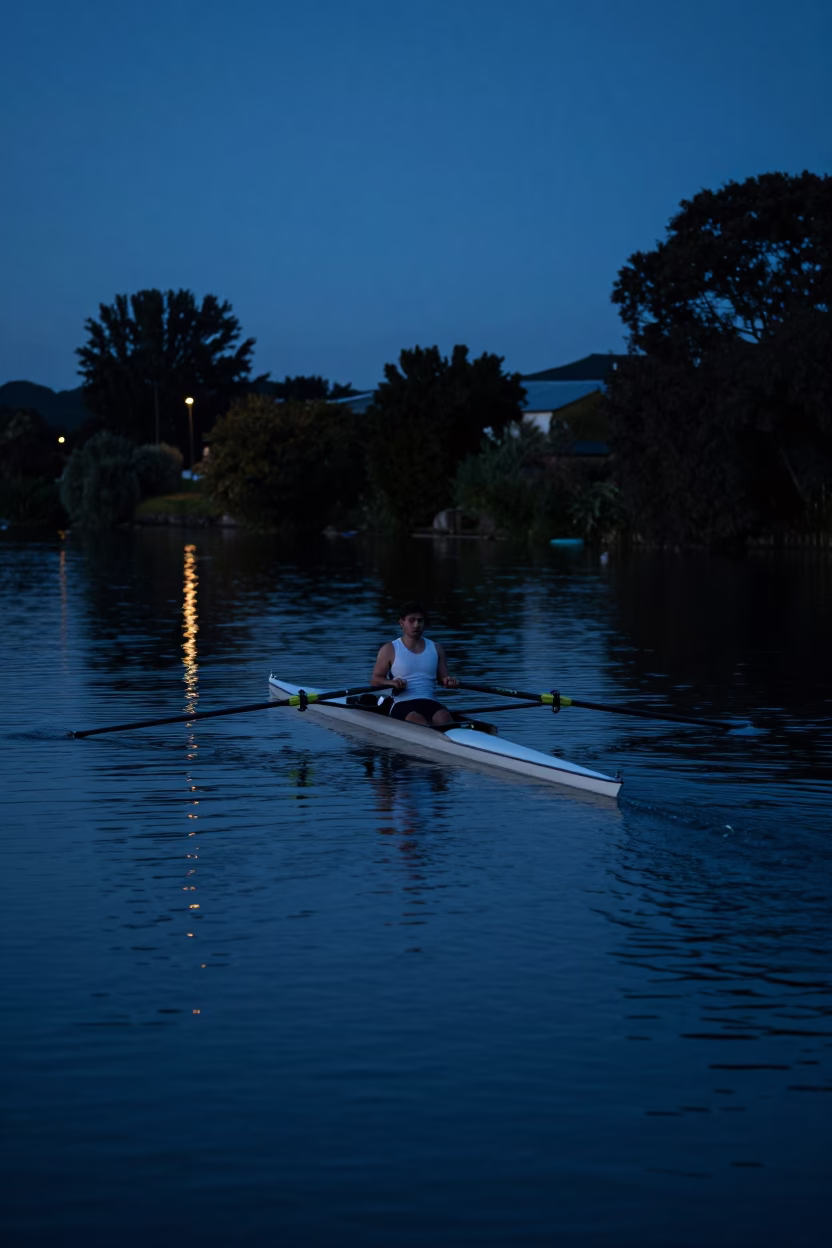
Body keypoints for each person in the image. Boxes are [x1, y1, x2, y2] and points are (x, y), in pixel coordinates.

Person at [371, 601, 458, 726]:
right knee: (417, 720)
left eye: (420, 621)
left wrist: (450, 681)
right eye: (411, 620)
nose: (416, 625)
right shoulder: (389, 649)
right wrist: (392, 682)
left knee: (443, 717)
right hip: (402, 703)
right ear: (402, 622)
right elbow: (375, 680)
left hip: (430, 702)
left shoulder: (437, 648)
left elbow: (443, 679)